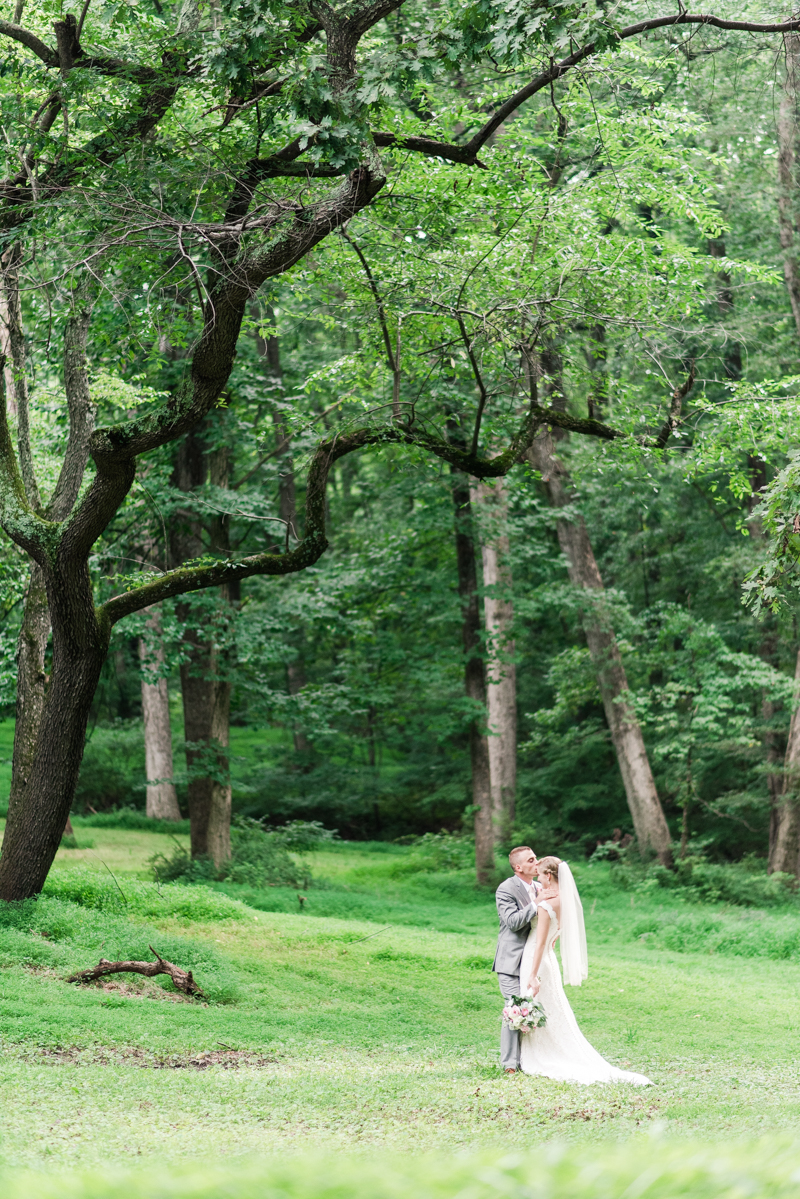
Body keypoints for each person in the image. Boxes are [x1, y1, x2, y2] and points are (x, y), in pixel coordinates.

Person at [519, 855, 651, 1085]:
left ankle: (539, 1055)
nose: (539, 879)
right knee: (551, 1009)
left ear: (548, 876)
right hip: (550, 961)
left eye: (540, 875)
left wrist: (532, 974)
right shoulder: (566, 901)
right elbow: (554, 937)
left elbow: (540, 942)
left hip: (535, 960)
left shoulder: (546, 904)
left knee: (541, 1007)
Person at [493, 846, 541, 1074]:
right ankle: (510, 1064)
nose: (537, 862)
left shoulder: (541, 887)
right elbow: (512, 922)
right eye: (531, 860)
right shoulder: (506, 889)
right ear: (518, 867)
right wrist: (536, 904)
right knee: (514, 1009)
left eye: (536, 857)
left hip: (535, 961)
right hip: (511, 960)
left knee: (533, 1008)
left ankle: (532, 1060)